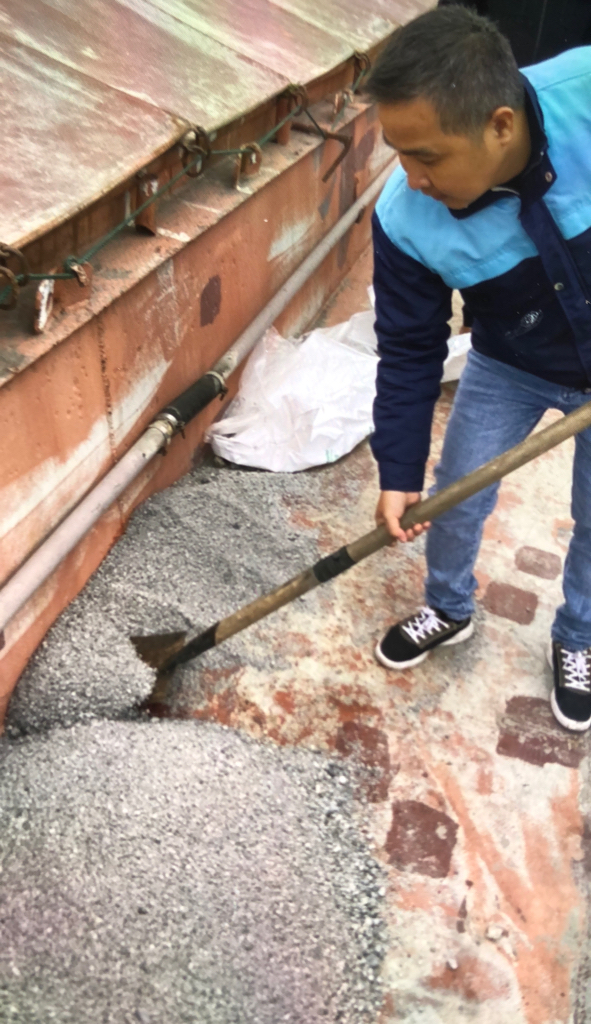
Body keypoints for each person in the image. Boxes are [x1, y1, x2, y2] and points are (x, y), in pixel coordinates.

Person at [366, 6, 591, 731]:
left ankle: (580, 637)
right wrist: (397, 467)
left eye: (427, 156)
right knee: (453, 495)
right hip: (510, 362)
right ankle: (447, 607)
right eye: (399, 153)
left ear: (499, 125)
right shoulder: (403, 218)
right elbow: (409, 348)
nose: (411, 178)